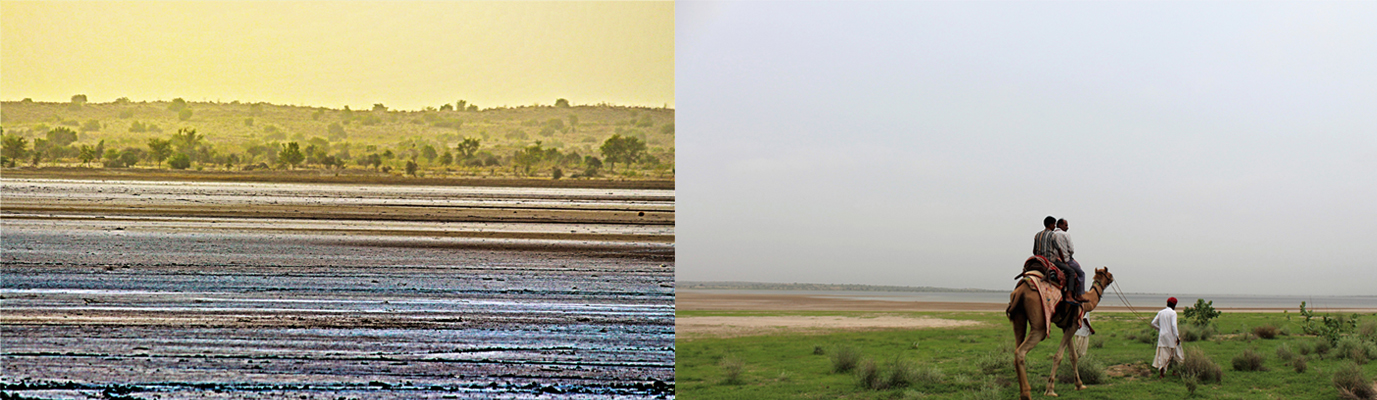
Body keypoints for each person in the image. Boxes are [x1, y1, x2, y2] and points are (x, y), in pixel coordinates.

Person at [1033, 216, 1075, 301]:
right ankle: (1069, 295)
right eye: (1054, 224)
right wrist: (1064, 262)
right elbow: (1059, 250)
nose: (1054, 226)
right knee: (1071, 272)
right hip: (1050, 261)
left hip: (1038, 261)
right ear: (1051, 224)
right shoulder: (1053, 235)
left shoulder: (1037, 235)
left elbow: (1034, 251)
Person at [1055, 218, 1088, 302]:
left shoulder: (1052, 234)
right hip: (1066, 260)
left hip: (1053, 260)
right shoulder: (1066, 235)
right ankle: (1078, 295)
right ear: (1060, 225)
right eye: (1065, 225)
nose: (1067, 227)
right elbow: (1071, 250)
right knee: (1081, 274)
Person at [1150, 297, 1184, 378]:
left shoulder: (1161, 312)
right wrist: (1177, 337)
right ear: (1174, 305)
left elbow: (1153, 323)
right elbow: (1173, 326)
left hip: (1162, 337)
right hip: (1171, 337)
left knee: (1163, 356)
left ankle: (1162, 374)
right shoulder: (1173, 313)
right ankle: (1175, 371)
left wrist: (1160, 329)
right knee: (1178, 354)